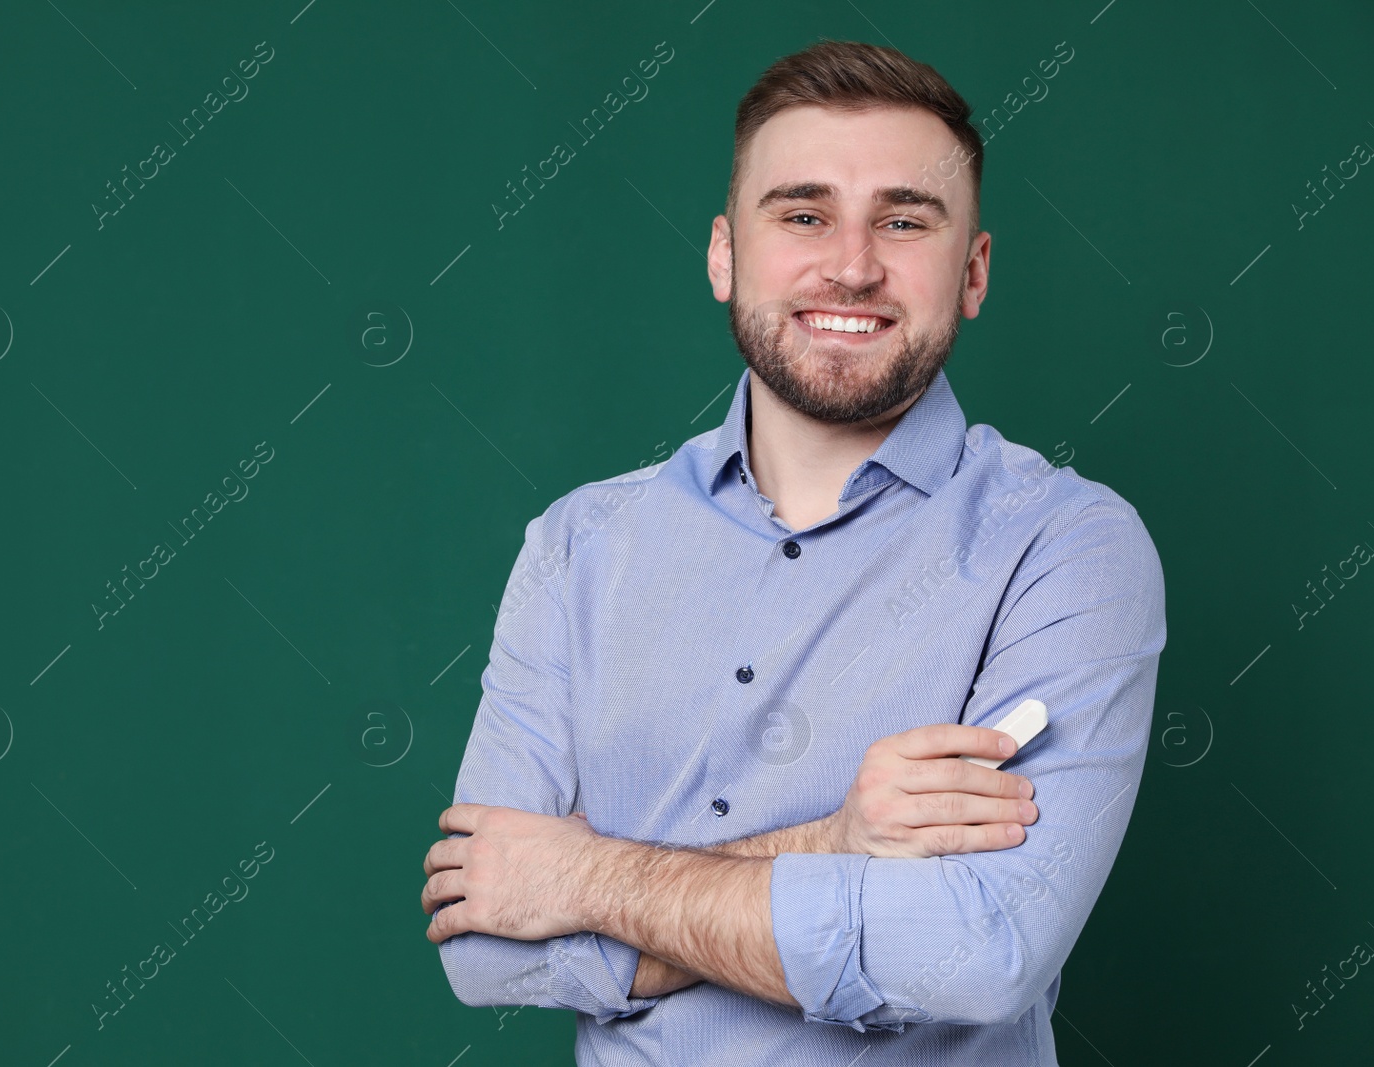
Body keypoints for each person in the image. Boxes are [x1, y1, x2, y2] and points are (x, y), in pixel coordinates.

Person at [420, 37, 1165, 1066]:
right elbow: (488, 947)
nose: (852, 264)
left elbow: (979, 950)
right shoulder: (578, 544)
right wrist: (839, 842)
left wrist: (585, 877)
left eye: (904, 219)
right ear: (726, 254)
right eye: (803, 214)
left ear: (974, 270)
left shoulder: (1065, 545)